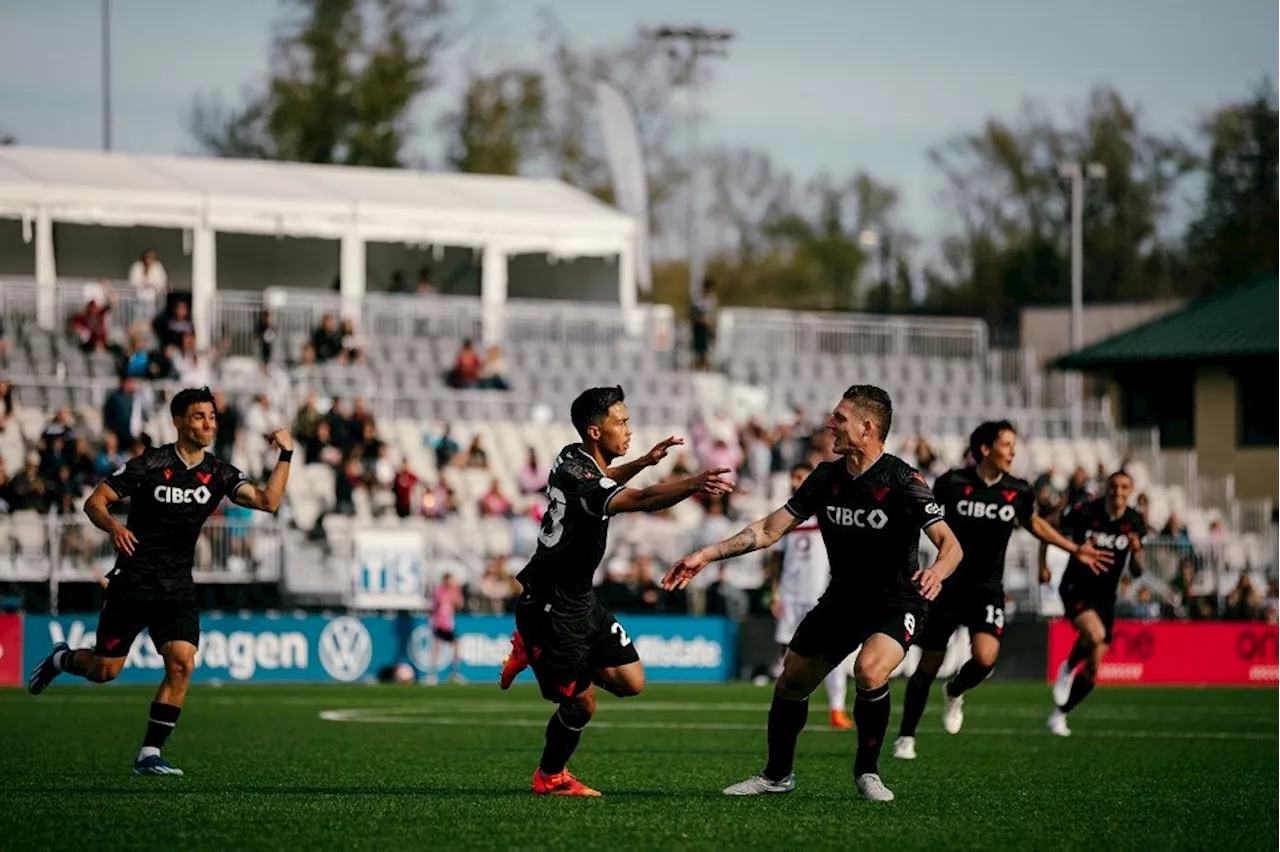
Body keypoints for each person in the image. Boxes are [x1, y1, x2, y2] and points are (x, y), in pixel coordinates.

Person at [663, 385, 963, 802]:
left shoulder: (902, 479)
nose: (829, 425)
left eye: (839, 418)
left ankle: (867, 772)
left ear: (867, 427)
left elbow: (951, 544)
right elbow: (769, 530)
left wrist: (939, 571)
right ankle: (776, 775)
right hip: (841, 600)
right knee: (790, 682)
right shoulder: (825, 478)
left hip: (897, 602)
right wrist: (707, 555)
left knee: (871, 671)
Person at [26, 387, 294, 776]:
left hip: (178, 588)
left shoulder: (218, 472)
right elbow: (94, 502)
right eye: (200, 416)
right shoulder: (148, 464)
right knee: (105, 671)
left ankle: (149, 753)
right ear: (179, 420)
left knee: (182, 663)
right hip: (133, 584)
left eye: (212, 417)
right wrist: (114, 526)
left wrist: (285, 454)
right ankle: (61, 658)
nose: (208, 424)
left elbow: (269, 502)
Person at [497, 386, 732, 797]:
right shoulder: (581, 478)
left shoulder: (572, 457)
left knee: (631, 681)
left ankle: (532, 649)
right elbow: (638, 501)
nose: (628, 429)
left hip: (580, 599)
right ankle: (550, 776)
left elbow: (604, 480)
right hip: (550, 609)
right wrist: (693, 482)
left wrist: (643, 461)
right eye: (619, 422)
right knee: (581, 705)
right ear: (594, 431)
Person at [894, 421, 1111, 759]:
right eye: (1007, 445)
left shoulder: (1018, 490)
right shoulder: (952, 483)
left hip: (987, 589)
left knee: (984, 659)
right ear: (985, 449)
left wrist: (1073, 548)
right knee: (927, 666)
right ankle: (906, 736)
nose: (1013, 451)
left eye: (1013, 445)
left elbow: (1034, 523)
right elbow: (923, 516)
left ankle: (955, 690)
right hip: (946, 585)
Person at [1042, 470, 1147, 737]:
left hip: (1105, 597)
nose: (1118, 491)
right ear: (1106, 487)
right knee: (1095, 634)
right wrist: (1041, 566)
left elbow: (1137, 572)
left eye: (1124, 487)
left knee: (1093, 668)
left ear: (1131, 490)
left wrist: (1136, 552)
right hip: (1075, 587)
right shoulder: (1085, 511)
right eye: (1114, 486)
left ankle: (1060, 714)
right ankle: (1067, 667)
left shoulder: (1134, 521)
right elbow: (1046, 525)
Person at [767, 461, 855, 729]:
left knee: (832, 652)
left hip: (821, 593)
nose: (796, 481)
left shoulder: (827, 511)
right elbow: (777, 561)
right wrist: (775, 593)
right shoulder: (788, 516)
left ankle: (836, 708)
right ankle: (790, 704)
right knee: (787, 651)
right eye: (793, 476)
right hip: (791, 594)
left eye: (800, 477)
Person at [425, 573, 466, 685]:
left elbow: (459, 604)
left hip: (448, 624)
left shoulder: (454, 591)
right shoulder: (439, 590)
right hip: (438, 623)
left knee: (457, 646)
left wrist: (456, 596)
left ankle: (454, 673)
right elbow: (439, 602)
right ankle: (432, 674)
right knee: (436, 648)